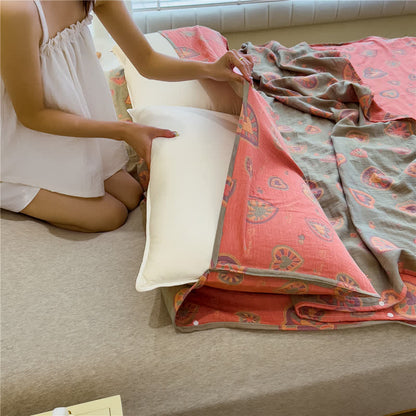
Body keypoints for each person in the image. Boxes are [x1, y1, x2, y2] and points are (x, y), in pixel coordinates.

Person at [0, 0, 253, 232]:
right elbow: (32, 115)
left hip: (63, 119)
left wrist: (209, 69)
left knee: (130, 194)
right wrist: (123, 130)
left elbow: (147, 60)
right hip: (22, 134)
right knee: (110, 215)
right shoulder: (16, 11)